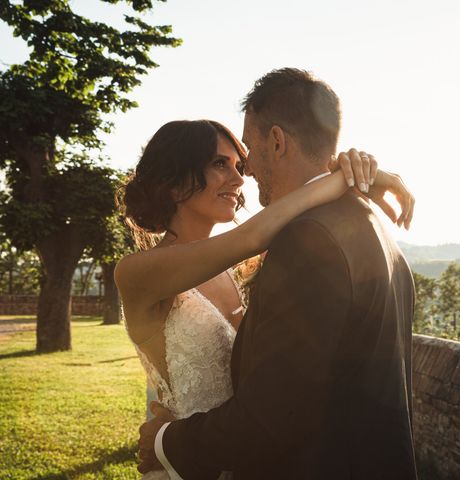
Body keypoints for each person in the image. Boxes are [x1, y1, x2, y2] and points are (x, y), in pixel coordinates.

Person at [133, 68, 418, 479]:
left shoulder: (308, 242)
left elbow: (271, 417)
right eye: (222, 164)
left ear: (278, 141)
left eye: (246, 153)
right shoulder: (369, 223)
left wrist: (165, 440)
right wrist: (347, 176)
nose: (244, 173)